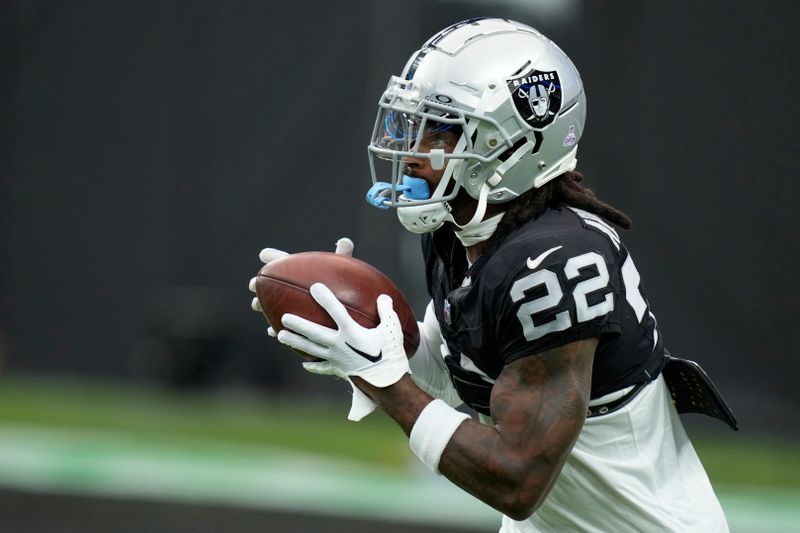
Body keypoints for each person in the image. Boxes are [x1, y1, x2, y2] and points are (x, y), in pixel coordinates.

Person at [250, 18, 736, 532]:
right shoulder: (462, 231)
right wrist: (358, 337)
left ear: (514, 146)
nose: (413, 150)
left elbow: (517, 479)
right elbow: (450, 376)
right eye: (413, 122)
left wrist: (388, 383)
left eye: (439, 127)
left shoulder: (555, 264)